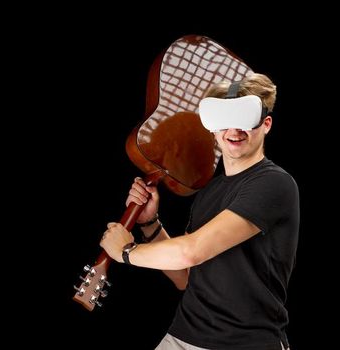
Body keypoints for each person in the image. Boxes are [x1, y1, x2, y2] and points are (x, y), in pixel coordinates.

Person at [101, 73, 298, 350]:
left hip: (245, 342)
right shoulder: (209, 191)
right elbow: (187, 277)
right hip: (184, 336)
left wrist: (126, 253)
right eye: (224, 120)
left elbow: (192, 250)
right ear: (213, 128)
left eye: (245, 119)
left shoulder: (274, 184)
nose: (235, 130)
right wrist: (150, 224)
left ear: (266, 124)